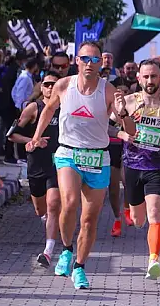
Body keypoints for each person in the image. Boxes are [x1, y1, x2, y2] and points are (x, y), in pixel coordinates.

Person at [26, 41, 134, 289]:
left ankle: (80, 266)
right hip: (68, 153)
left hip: (98, 157)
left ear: (102, 64)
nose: (90, 64)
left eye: (95, 60)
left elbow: (131, 132)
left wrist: (122, 113)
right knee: (70, 202)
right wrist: (36, 136)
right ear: (78, 60)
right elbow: (47, 109)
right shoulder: (64, 85)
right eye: (85, 58)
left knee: (89, 219)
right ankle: (65, 249)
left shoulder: (108, 91)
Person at [121, 59, 160, 280]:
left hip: (156, 167)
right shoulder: (128, 102)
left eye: (154, 76)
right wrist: (122, 134)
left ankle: (153, 260)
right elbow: (107, 126)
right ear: (139, 78)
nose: (150, 80)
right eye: (146, 76)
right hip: (132, 166)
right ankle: (133, 213)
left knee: (155, 214)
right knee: (138, 220)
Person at [8, 72, 62, 267]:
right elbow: (12, 135)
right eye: (47, 84)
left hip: (58, 164)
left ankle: (48, 251)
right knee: (41, 209)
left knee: (54, 204)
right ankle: (47, 220)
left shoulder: (65, 108)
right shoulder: (34, 108)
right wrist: (32, 141)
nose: (50, 88)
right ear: (41, 87)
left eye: (54, 85)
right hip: (36, 165)